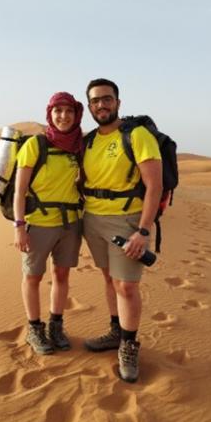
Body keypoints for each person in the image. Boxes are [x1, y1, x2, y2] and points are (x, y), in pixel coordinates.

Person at [82, 79, 162, 383]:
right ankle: (116, 331)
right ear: (89, 106)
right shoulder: (89, 141)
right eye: (95, 101)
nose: (101, 105)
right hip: (92, 219)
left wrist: (143, 231)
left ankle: (129, 344)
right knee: (108, 277)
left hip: (127, 221)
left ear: (118, 102)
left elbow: (155, 185)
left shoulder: (137, 135)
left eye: (107, 99)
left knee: (127, 286)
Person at [13, 92, 83, 355]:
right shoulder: (35, 145)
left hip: (71, 224)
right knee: (33, 276)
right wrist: (19, 225)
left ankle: (56, 325)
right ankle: (34, 328)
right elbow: (20, 190)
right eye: (58, 111)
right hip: (40, 223)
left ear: (76, 115)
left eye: (69, 111)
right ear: (49, 114)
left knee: (62, 275)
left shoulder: (78, 146)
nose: (63, 116)